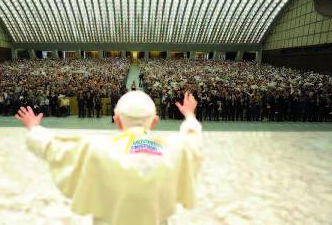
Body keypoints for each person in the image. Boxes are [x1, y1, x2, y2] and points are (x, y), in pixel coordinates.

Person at [15, 91, 203, 225]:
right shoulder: (175, 149)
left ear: (118, 120)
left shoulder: (95, 148)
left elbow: (51, 147)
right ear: (154, 121)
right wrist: (189, 115)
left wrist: (34, 127)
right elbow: (193, 139)